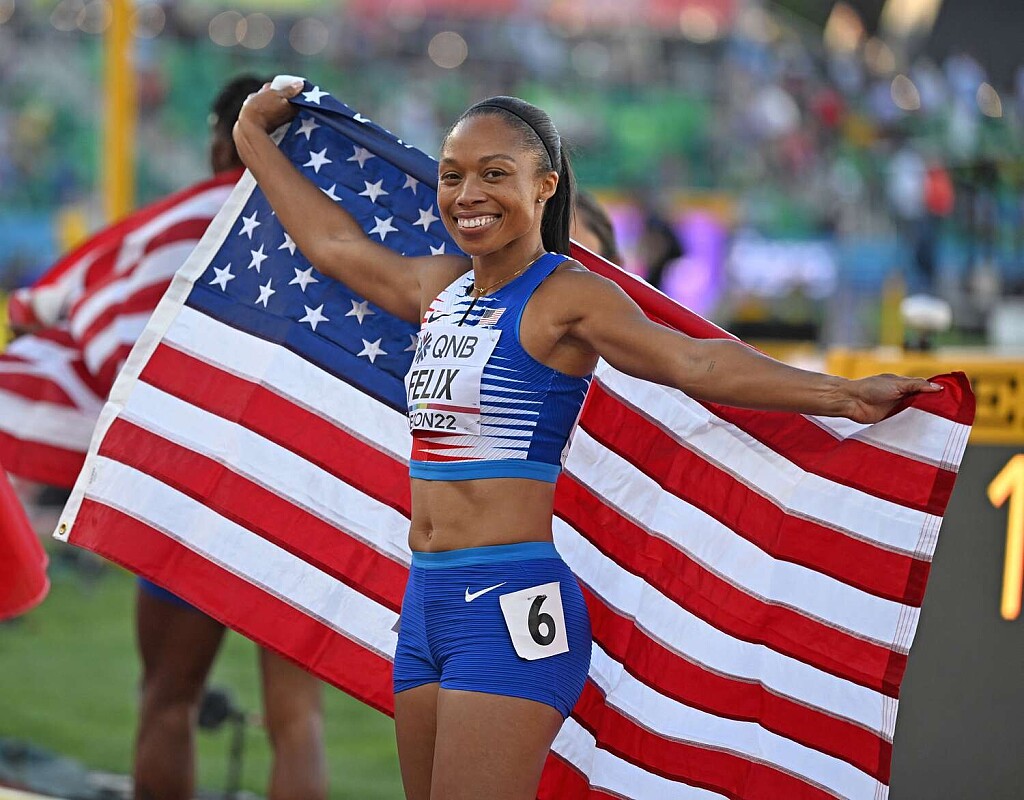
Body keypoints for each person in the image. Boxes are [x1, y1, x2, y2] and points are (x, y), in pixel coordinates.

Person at [234, 83, 942, 800]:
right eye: (452, 175)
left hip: (507, 603)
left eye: (494, 174)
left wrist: (842, 395)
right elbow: (333, 245)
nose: (468, 194)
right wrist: (253, 138)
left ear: (545, 186)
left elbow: (692, 362)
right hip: (427, 602)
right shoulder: (440, 288)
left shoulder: (566, 297)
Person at [133, 75, 327, 800]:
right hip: (296, 487)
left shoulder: (185, 228)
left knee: (168, 699)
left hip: (194, 483)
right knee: (297, 721)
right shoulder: (337, 234)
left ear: (223, 143)